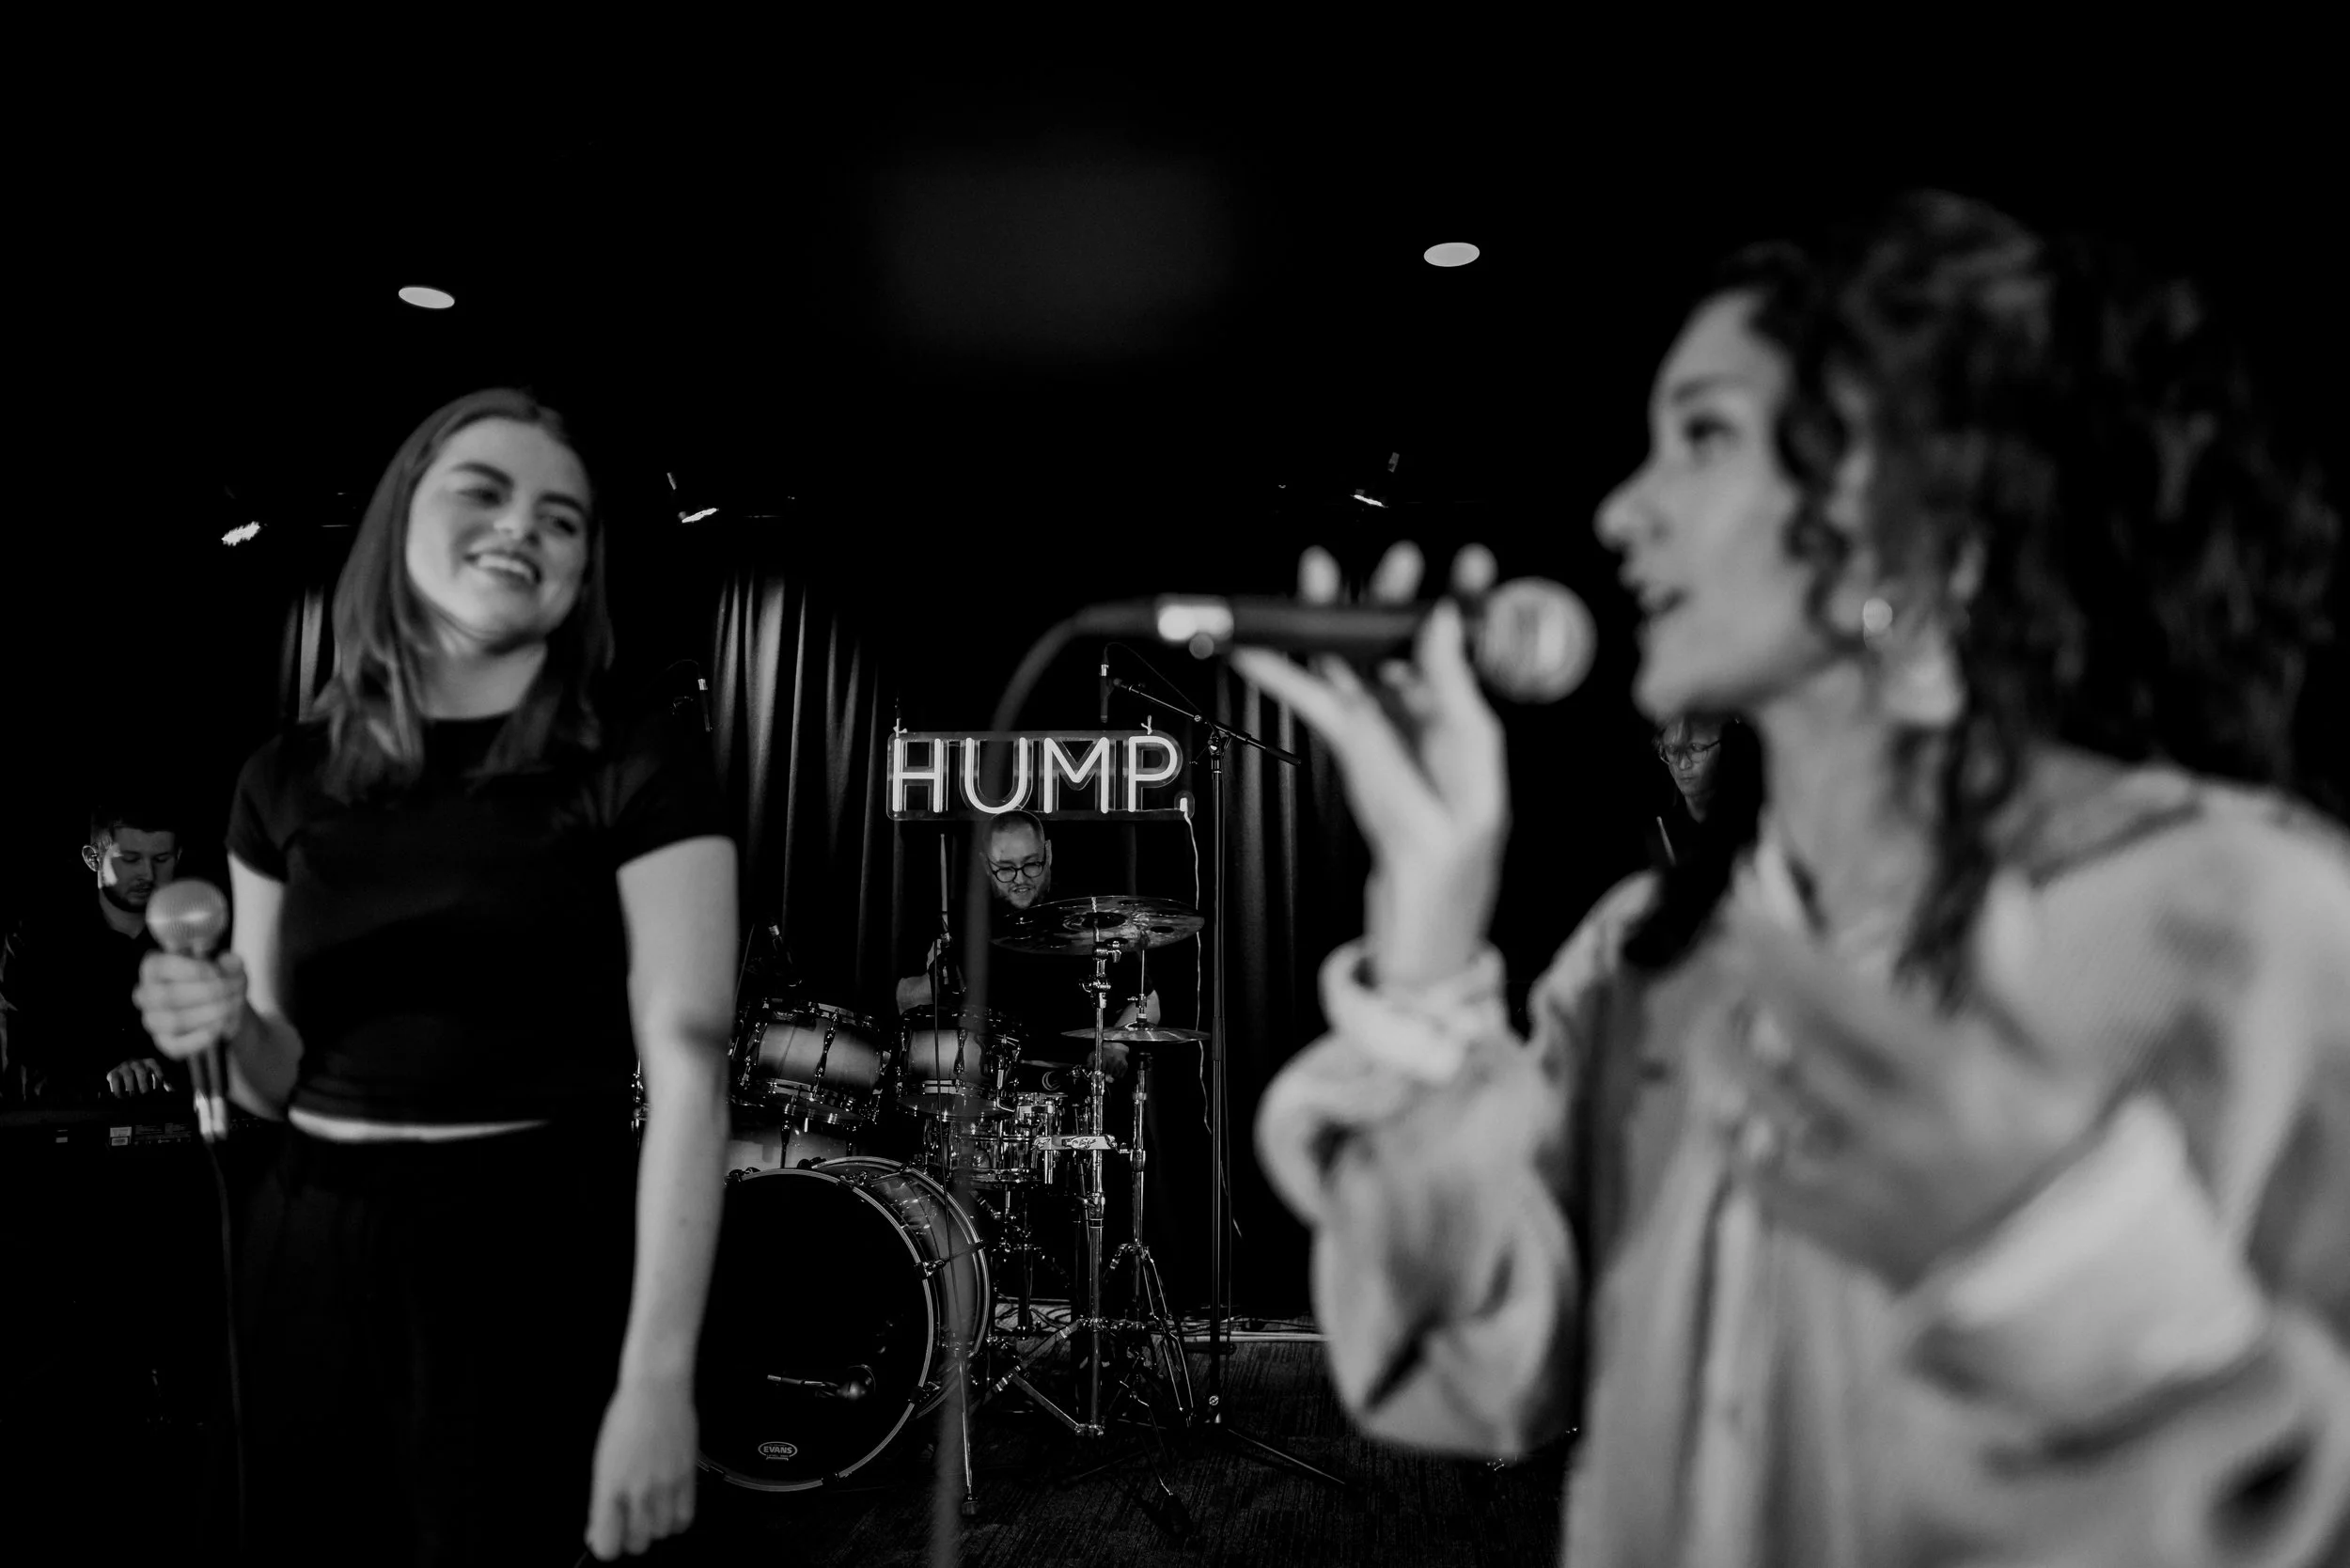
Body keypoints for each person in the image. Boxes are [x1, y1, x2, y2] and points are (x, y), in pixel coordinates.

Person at [1238, 192, 2350, 1565]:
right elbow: (1474, 1371)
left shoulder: (2256, 928)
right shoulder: (1649, 960)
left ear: (1912, 499)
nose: (1623, 513)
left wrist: (2065, 1276)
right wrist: (1426, 926)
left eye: (1704, 435)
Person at [133, 388, 736, 1565]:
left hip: (533, 1252)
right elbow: (267, 1079)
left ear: (582, 572)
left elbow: (690, 1082)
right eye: (485, 492)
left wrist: (658, 1383)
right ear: (401, 520)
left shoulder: (641, 768)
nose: (524, 527)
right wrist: (222, 1020)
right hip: (309, 1245)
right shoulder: (283, 777)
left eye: (562, 519)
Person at [0, 795, 191, 1104]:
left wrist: (171, 1076)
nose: (148, 874)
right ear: (92, 859)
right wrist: (102, 1083)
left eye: (161, 858)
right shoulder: (36, 941)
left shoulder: (198, 944)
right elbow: (19, 1069)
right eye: (130, 859)